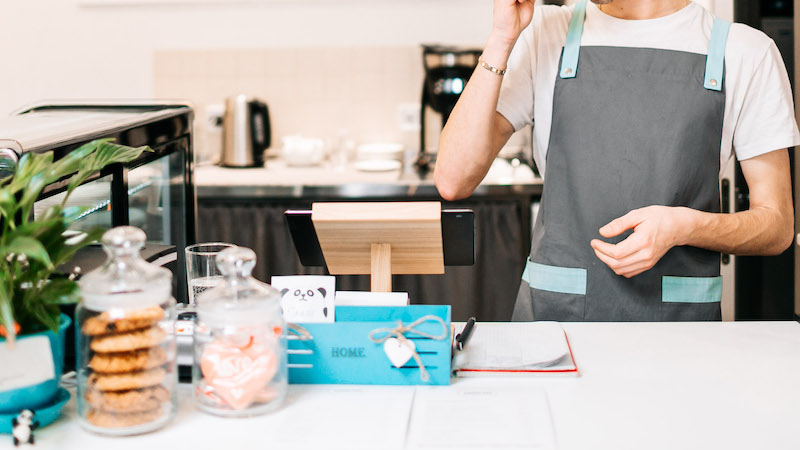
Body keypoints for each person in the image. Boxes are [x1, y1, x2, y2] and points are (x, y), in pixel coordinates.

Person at [434, 0, 799, 321]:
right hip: (554, 327)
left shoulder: (745, 51)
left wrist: (686, 226)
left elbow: (777, 226)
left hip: (680, 338)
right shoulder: (545, 34)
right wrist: (501, 38)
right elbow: (453, 179)